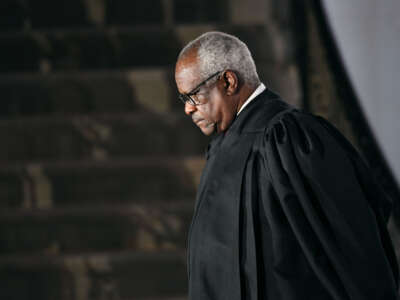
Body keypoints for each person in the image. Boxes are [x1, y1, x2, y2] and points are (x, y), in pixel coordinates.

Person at [174, 31, 400, 300]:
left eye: (193, 95)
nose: (188, 109)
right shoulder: (223, 147)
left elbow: (351, 247)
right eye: (184, 99)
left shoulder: (289, 139)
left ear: (228, 81)